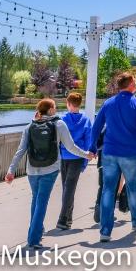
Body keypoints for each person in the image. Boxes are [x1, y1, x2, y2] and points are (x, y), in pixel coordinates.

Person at [5, 98, 94, 250]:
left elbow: (21, 151)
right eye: (54, 107)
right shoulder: (59, 124)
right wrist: (86, 155)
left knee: (36, 199)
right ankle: (33, 239)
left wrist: (11, 170)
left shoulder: (29, 126)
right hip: (50, 169)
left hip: (32, 169)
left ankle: (37, 232)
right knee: (41, 202)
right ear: (51, 110)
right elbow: (71, 146)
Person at [90, 72, 136, 243]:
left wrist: (92, 147)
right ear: (130, 84)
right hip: (130, 153)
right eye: (135, 81)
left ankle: (105, 231)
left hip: (109, 153)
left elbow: (96, 127)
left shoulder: (108, 103)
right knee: (132, 187)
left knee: (108, 190)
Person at [55, 91, 92, 231]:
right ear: (79, 104)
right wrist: (85, 161)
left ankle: (63, 219)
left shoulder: (62, 119)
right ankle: (66, 219)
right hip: (78, 157)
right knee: (70, 188)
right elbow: (88, 141)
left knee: (67, 188)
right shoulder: (86, 120)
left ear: (68, 104)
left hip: (64, 157)